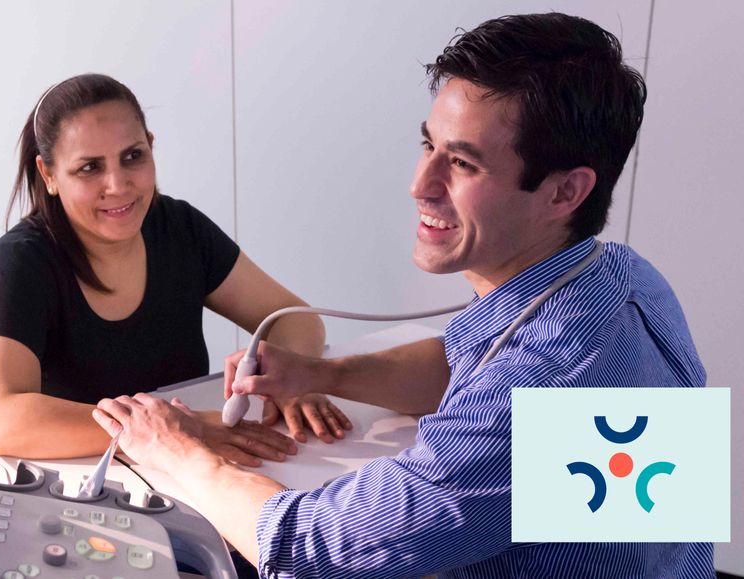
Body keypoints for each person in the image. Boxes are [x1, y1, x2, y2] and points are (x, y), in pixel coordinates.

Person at [93, 13, 713, 578]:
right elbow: (469, 366)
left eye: (464, 164)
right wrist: (321, 372)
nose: (421, 184)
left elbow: (315, 546)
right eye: (429, 145)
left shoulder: (552, 377)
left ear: (563, 193)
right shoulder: (617, 281)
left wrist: (176, 453)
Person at [0, 74, 343, 463]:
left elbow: (295, 320)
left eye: (133, 156)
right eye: (89, 168)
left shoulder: (179, 227)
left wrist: (295, 376)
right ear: (49, 175)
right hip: (89, 483)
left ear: (151, 146)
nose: (117, 184)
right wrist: (173, 431)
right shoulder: (21, 260)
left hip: (194, 468)